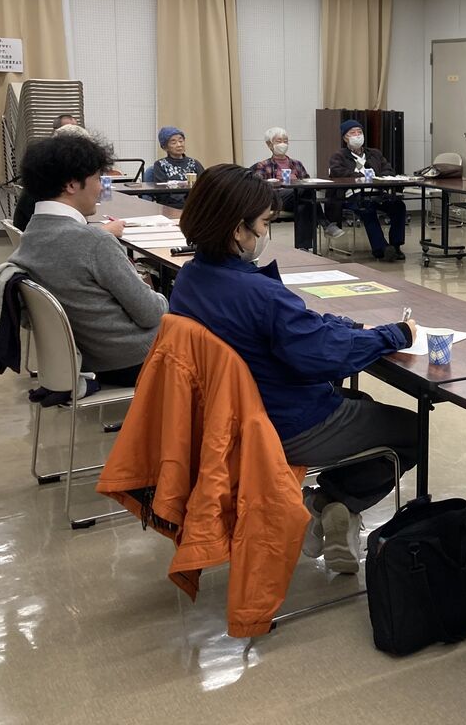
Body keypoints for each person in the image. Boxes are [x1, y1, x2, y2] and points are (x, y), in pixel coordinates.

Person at [169, 164, 419, 574]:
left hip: (227, 419)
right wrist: (395, 334)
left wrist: (337, 327)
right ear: (238, 230)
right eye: (265, 223)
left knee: (361, 402)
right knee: (410, 429)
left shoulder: (191, 277)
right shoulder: (258, 293)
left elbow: (292, 334)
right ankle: (329, 502)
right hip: (285, 424)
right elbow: (320, 356)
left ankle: (335, 506)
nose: (267, 232)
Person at [8, 132, 167, 387]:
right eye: (97, 178)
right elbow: (151, 313)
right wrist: (159, 295)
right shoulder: (94, 241)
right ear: (72, 185)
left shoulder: (31, 236)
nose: (101, 188)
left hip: (84, 358)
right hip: (131, 360)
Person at [326, 119, 407, 262]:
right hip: (353, 195)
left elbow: (389, 170)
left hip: (377, 193)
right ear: (345, 138)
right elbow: (338, 173)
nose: (357, 135)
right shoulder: (338, 156)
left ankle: (396, 245)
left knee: (398, 206)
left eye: (360, 132)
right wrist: (361, 177)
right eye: (353, 133)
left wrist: (377, 177)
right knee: (367, 209)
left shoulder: (374, 153)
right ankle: (381, 249)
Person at [249, 127, 320, 251]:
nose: (283, 144)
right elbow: (258, 188)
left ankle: (303, 248)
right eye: (278, 141)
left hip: (296, 199)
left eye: (285, 141)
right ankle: (325, 223)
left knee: (304, 204)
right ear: (269, 144)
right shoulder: (263, 165)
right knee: (304, 192)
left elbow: (307, 181)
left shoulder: (297, 164)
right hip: (276, 199)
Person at [151, 126, 204, 210]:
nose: (179, 145)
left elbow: (205, 184)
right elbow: (161, 193)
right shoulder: (160, 165)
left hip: (195, 205)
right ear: (165, 147)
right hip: (171, 206)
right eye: (173, 142)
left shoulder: (194, 163)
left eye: (181, 141)